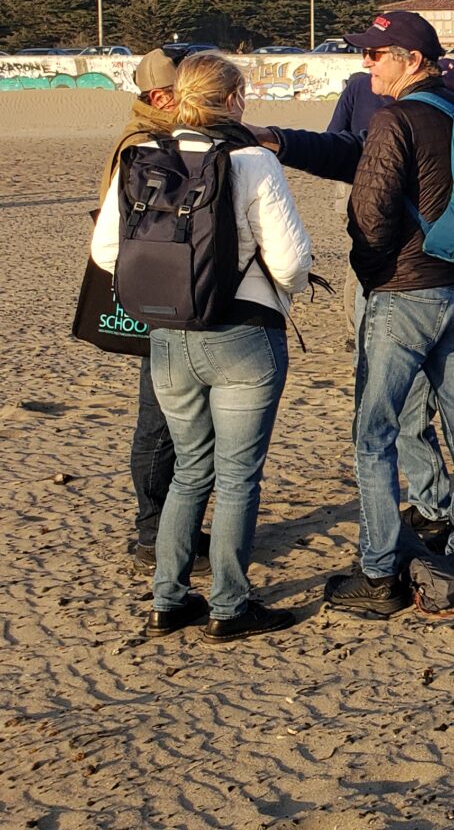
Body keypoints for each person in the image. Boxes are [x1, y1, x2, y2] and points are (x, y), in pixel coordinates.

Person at [92, 53, 312, 642]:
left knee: (190, 469)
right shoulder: (252, 160)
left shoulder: (140, 158)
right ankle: (230, 607)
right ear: (235, 98)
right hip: (243, 334)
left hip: (168, 335)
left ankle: (168, 598)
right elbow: (291, 261)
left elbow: (106, 254)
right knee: (238, 477)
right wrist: (283, 292)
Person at [325, 12, 454, 618]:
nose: (367, 64)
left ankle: (378, 572)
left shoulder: (395, 119)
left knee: (374, 433)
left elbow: (369, 214)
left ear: (413, 60)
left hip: (405, 291)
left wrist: (373, 278)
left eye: (378, 54)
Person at [101, 48, 205, 574]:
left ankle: (169, 526)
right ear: (164, 98)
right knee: (157, 421)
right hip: (161, 296)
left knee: (170, 418)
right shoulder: (143, 147)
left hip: (171, 294)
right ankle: (153, 530)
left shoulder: (155, 140)